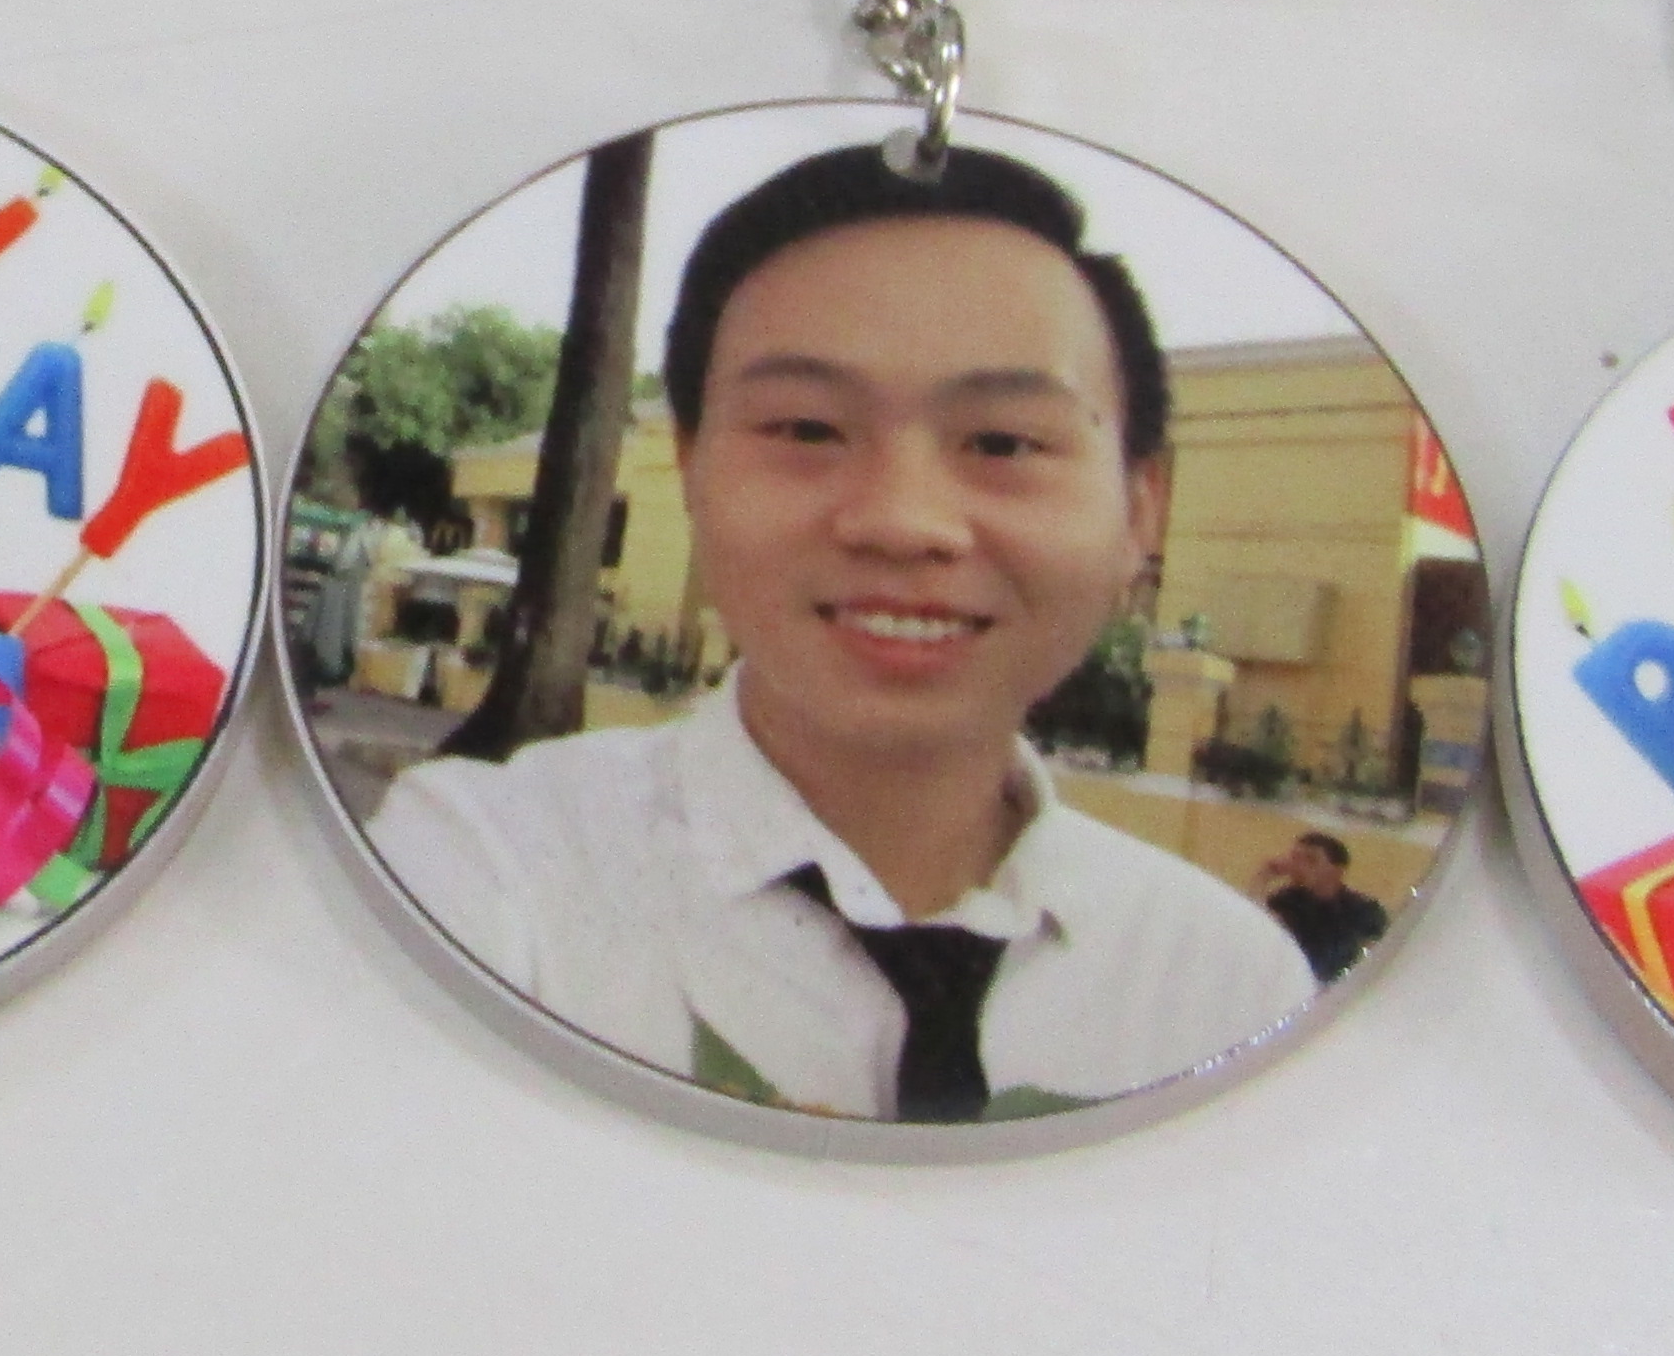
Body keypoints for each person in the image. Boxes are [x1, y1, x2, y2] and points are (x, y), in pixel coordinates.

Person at [372, 138, 1316, 1118]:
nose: (901, 522)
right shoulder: (483, 876)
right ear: (690, 466)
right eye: (808, 430)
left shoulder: (1231, 993)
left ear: (1141, 507)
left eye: (1003, 441)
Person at [1258, 827, 1393, 984]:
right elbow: (1259, 931)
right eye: (1295, 859)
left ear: (1337, 871)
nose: (1299, 866)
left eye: (1311, 860)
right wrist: (1262, 877)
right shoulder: (1285, 902)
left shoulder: (1364, 910)